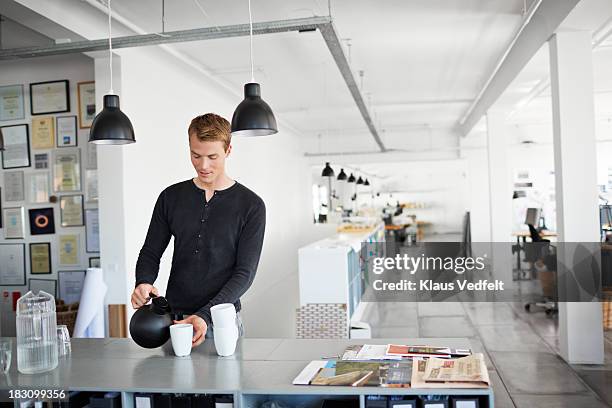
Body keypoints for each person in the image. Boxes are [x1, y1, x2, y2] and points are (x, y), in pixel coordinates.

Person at [131, 113, 266, 347]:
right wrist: (143, 281)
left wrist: (205, 314)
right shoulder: (170, 198)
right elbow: (151, 252)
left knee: (227, 383)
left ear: (228, 150)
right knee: (175, 384)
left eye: (212, 156)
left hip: (221, 322)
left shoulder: (251, 206)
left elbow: (245, 273)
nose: (203, 165)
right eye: (196, 155)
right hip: (175, 322)